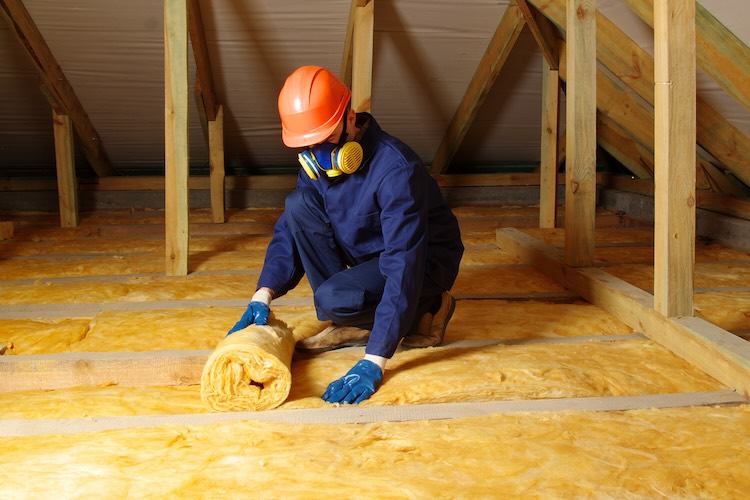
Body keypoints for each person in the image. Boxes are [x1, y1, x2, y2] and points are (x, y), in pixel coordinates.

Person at [227, 65, 464, 404]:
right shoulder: (316, 162)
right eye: (307, 144)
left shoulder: (396, 169)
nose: (316, 153)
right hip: (368, 248)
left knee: (332, 298)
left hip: (422, 259)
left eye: (325, 140)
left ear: (350, 118)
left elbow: (403, 260)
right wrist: (262, 294)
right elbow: (292, 229)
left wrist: (375, 359)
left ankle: (426, 307)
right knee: (298, 204)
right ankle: (353, 314)